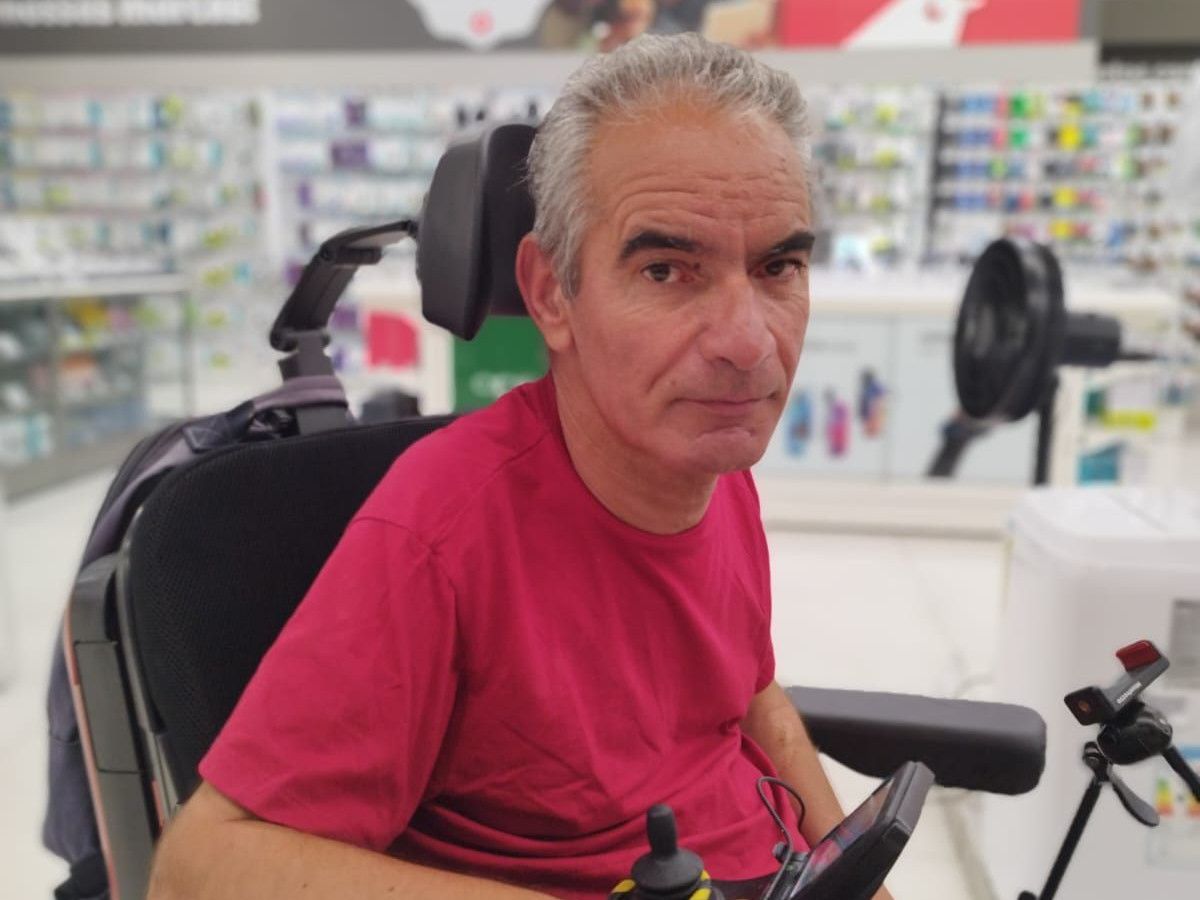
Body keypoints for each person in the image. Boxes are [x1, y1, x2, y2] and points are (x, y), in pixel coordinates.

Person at [148, 34, 895, 900]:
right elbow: (199, 866)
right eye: (666, 270)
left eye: (778, 267)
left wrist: (853, 872)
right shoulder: (442, 533)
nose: (748, 341)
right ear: (550, 293)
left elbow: (751, 693)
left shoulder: (713, 466)